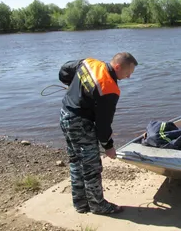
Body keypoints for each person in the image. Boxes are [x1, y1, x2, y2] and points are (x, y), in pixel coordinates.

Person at [58, 52, 138, 215]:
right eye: (127, 73)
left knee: (76, 161)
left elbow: (65, 69)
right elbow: (103, 124)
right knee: (92, 166)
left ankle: (80, 203)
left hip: (65, 114)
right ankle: (97, 205)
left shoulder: (90, 63)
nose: (129, 77)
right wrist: (108, 146)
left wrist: (70, 84)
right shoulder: (109, 88)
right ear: (117, 67)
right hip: (80, 123)